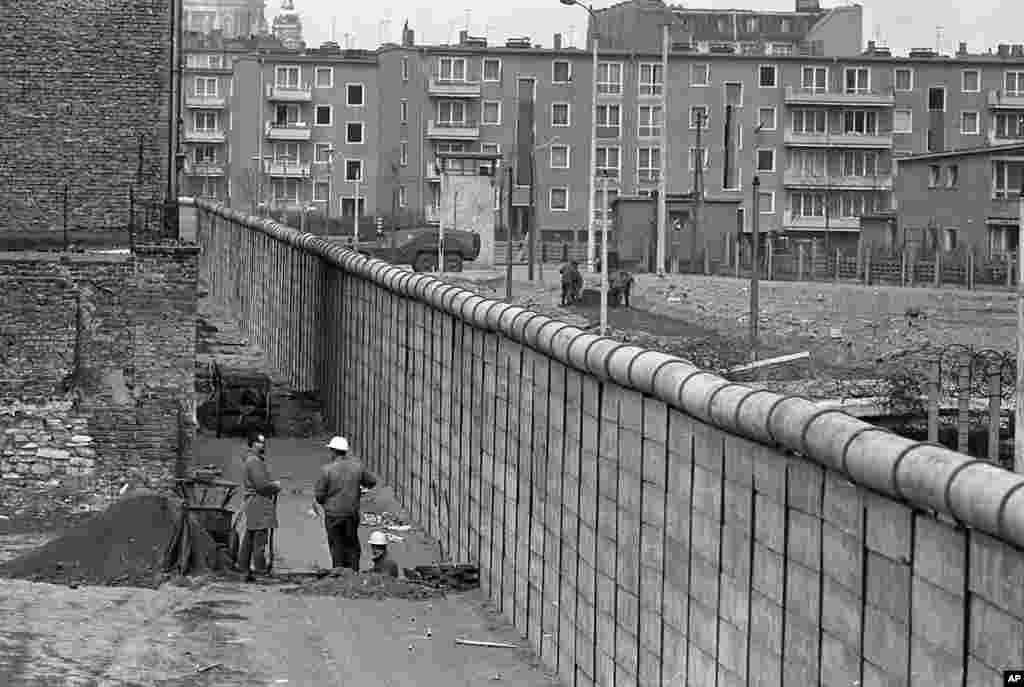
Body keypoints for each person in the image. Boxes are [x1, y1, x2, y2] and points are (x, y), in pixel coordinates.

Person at [314, 435, 378, 571]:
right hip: (351, 512)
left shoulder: (327, 470)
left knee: (336, 545)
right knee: (352, 544)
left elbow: (319, 496)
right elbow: (372, 481)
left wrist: (327, 501)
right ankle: (353, 573)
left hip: (333, 514)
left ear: (333, 451)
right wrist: (359, 490)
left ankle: (338, 573)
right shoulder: (357, 467)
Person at [238, 431, 281, 582]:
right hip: (259, 503)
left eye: (263, 442)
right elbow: (261, 485)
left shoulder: (251, 460)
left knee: (250, 536)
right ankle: (260, 571)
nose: (263, 445)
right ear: (252, 444)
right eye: (260, 442)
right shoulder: (254, 462)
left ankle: (243, 566)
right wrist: (275, 486)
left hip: (253, 503)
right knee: (260, 539)